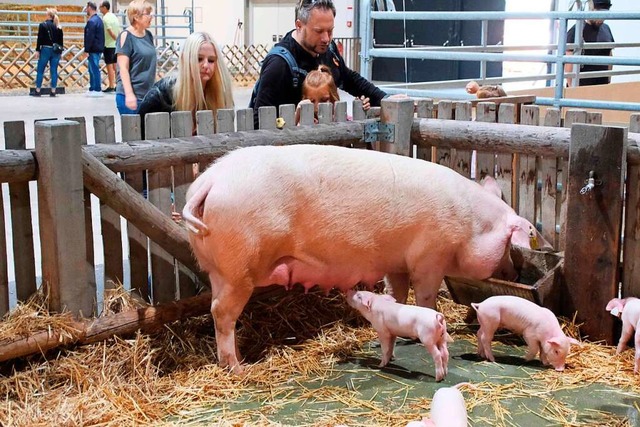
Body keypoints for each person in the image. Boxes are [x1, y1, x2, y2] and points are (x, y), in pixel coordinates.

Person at [250, 0, 387, 128]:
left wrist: (386, 99)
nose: (326, 39)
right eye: (319, 31)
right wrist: (291, 120)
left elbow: (348, 78)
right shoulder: (278, 65)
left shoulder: (328, 49)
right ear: (299, 26)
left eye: (330, 31)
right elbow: (259, 123)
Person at [138, 31, 234, 133]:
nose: (206, 65)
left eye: (211, 60)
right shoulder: (160, 97)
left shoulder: (220, 98)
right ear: (185, 59)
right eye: (199, 59)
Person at [115, 0, 156, 115]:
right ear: (136, 17)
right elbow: (123, 68)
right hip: (130, 96)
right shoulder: (126, 36)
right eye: (147, 14)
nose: (151, 17)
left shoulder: (148, 35)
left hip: (147, 96)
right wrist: (129, 94)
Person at [295, 64, 370, 124]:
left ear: (333, 97)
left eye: (324, 100)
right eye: (312, 101)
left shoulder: (342, 119)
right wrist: (297, 114)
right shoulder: (303, 122)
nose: (317, 106)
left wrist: (362, 110)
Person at [565, 0, 615, 86]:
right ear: (591, 9)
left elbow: (609, 54)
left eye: (605, 14)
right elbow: (569, 63)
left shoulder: (606, 29)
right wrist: (572, 90)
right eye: (599, 14)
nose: (601, 19)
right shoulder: (576, 31)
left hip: (602, 86)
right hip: (582, 87)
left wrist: (608, 81)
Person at [33, 8, 63, 97]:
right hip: (56, 51)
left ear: (48, 15)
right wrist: (60, 52)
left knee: (40, 70)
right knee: (54, 70)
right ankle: (53, 90)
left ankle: (38, 90)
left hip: (45, 49)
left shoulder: (43, 25)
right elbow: (61, 41)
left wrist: (37, 50)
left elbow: (40, 39)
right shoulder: (58, 27)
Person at [84, 2, 105, 97]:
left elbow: (89, 37)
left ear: (89, 8)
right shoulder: (99, 20)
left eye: (87, 8)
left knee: (94, 68)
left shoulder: (91, 21)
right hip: (98, 48)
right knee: (92, 68)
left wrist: (87, 49)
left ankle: (97, 88)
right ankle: (93, 87)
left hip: (93, 49)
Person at [99, 0, 120, 93]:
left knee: (109, 66)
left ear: (104, 7)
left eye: (100, 7)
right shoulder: (114, 16)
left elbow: (110, 31)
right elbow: (118, 29)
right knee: (116, 66)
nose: (99, 8)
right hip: (115, 45)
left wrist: (115, 38)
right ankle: (118, 84)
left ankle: (111, 85)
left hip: (108, 45)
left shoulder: (105, 18)